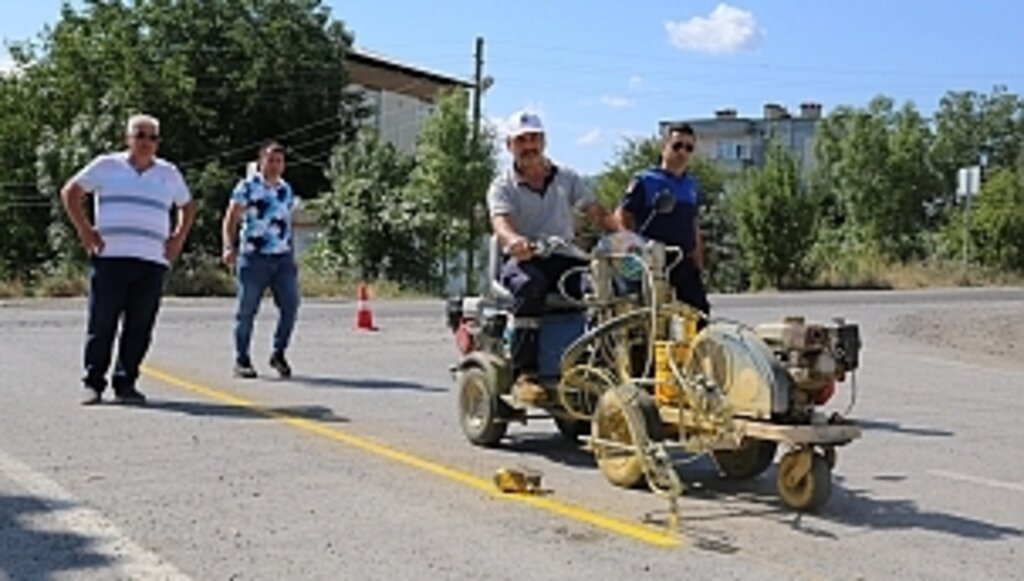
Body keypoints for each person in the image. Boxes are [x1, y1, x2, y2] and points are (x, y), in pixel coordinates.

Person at [61, 114, 196, 405]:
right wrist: (84, 229)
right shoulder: (107, 166)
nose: (146, 142)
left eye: (152, 137)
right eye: (140, 135)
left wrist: (177, 238)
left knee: (139, 326)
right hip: (110, 257)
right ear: (128, 138)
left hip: (151, 260)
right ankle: (93, 383)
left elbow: (187, 206)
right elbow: (71, 192)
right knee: (102, 322)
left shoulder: (168, 173)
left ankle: (126, 383)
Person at [487, 110, 617, 404]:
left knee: (603, 288)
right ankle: (526, 374)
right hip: (525, 259)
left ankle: (598, 364)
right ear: (509, 145)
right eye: (521, 140)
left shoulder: (566, 178)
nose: (529, 145)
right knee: (529, 285)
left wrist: (623, 236)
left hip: (565, 259)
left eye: (534, 138)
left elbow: (593, 210)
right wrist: (516, 241)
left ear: (544, 141)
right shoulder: (502, 186)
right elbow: (501, 225)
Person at [221, 141, 300, 379]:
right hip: (254, 256)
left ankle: (279, 352)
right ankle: (242, 358)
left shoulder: (286, 189)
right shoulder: (247, 187)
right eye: (271, 160)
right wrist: (228, 245)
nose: (275, 165)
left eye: (279, 161)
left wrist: (292, 254)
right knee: (247, 310)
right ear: (261, 161)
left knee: (290, 305)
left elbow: (288, 223)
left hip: (281, 257)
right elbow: (231, 218)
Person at [614, 123, 711, 317]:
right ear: (663, 147)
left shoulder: (690, 185)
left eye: (688, 148)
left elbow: (693, 222)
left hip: (682, 260)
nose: (682, 152)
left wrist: (698, 258)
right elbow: (623, 214)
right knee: (651, 318)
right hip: (653, 261)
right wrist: (632, 248)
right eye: (677, 146)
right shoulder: (645, 180)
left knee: (698, 313)